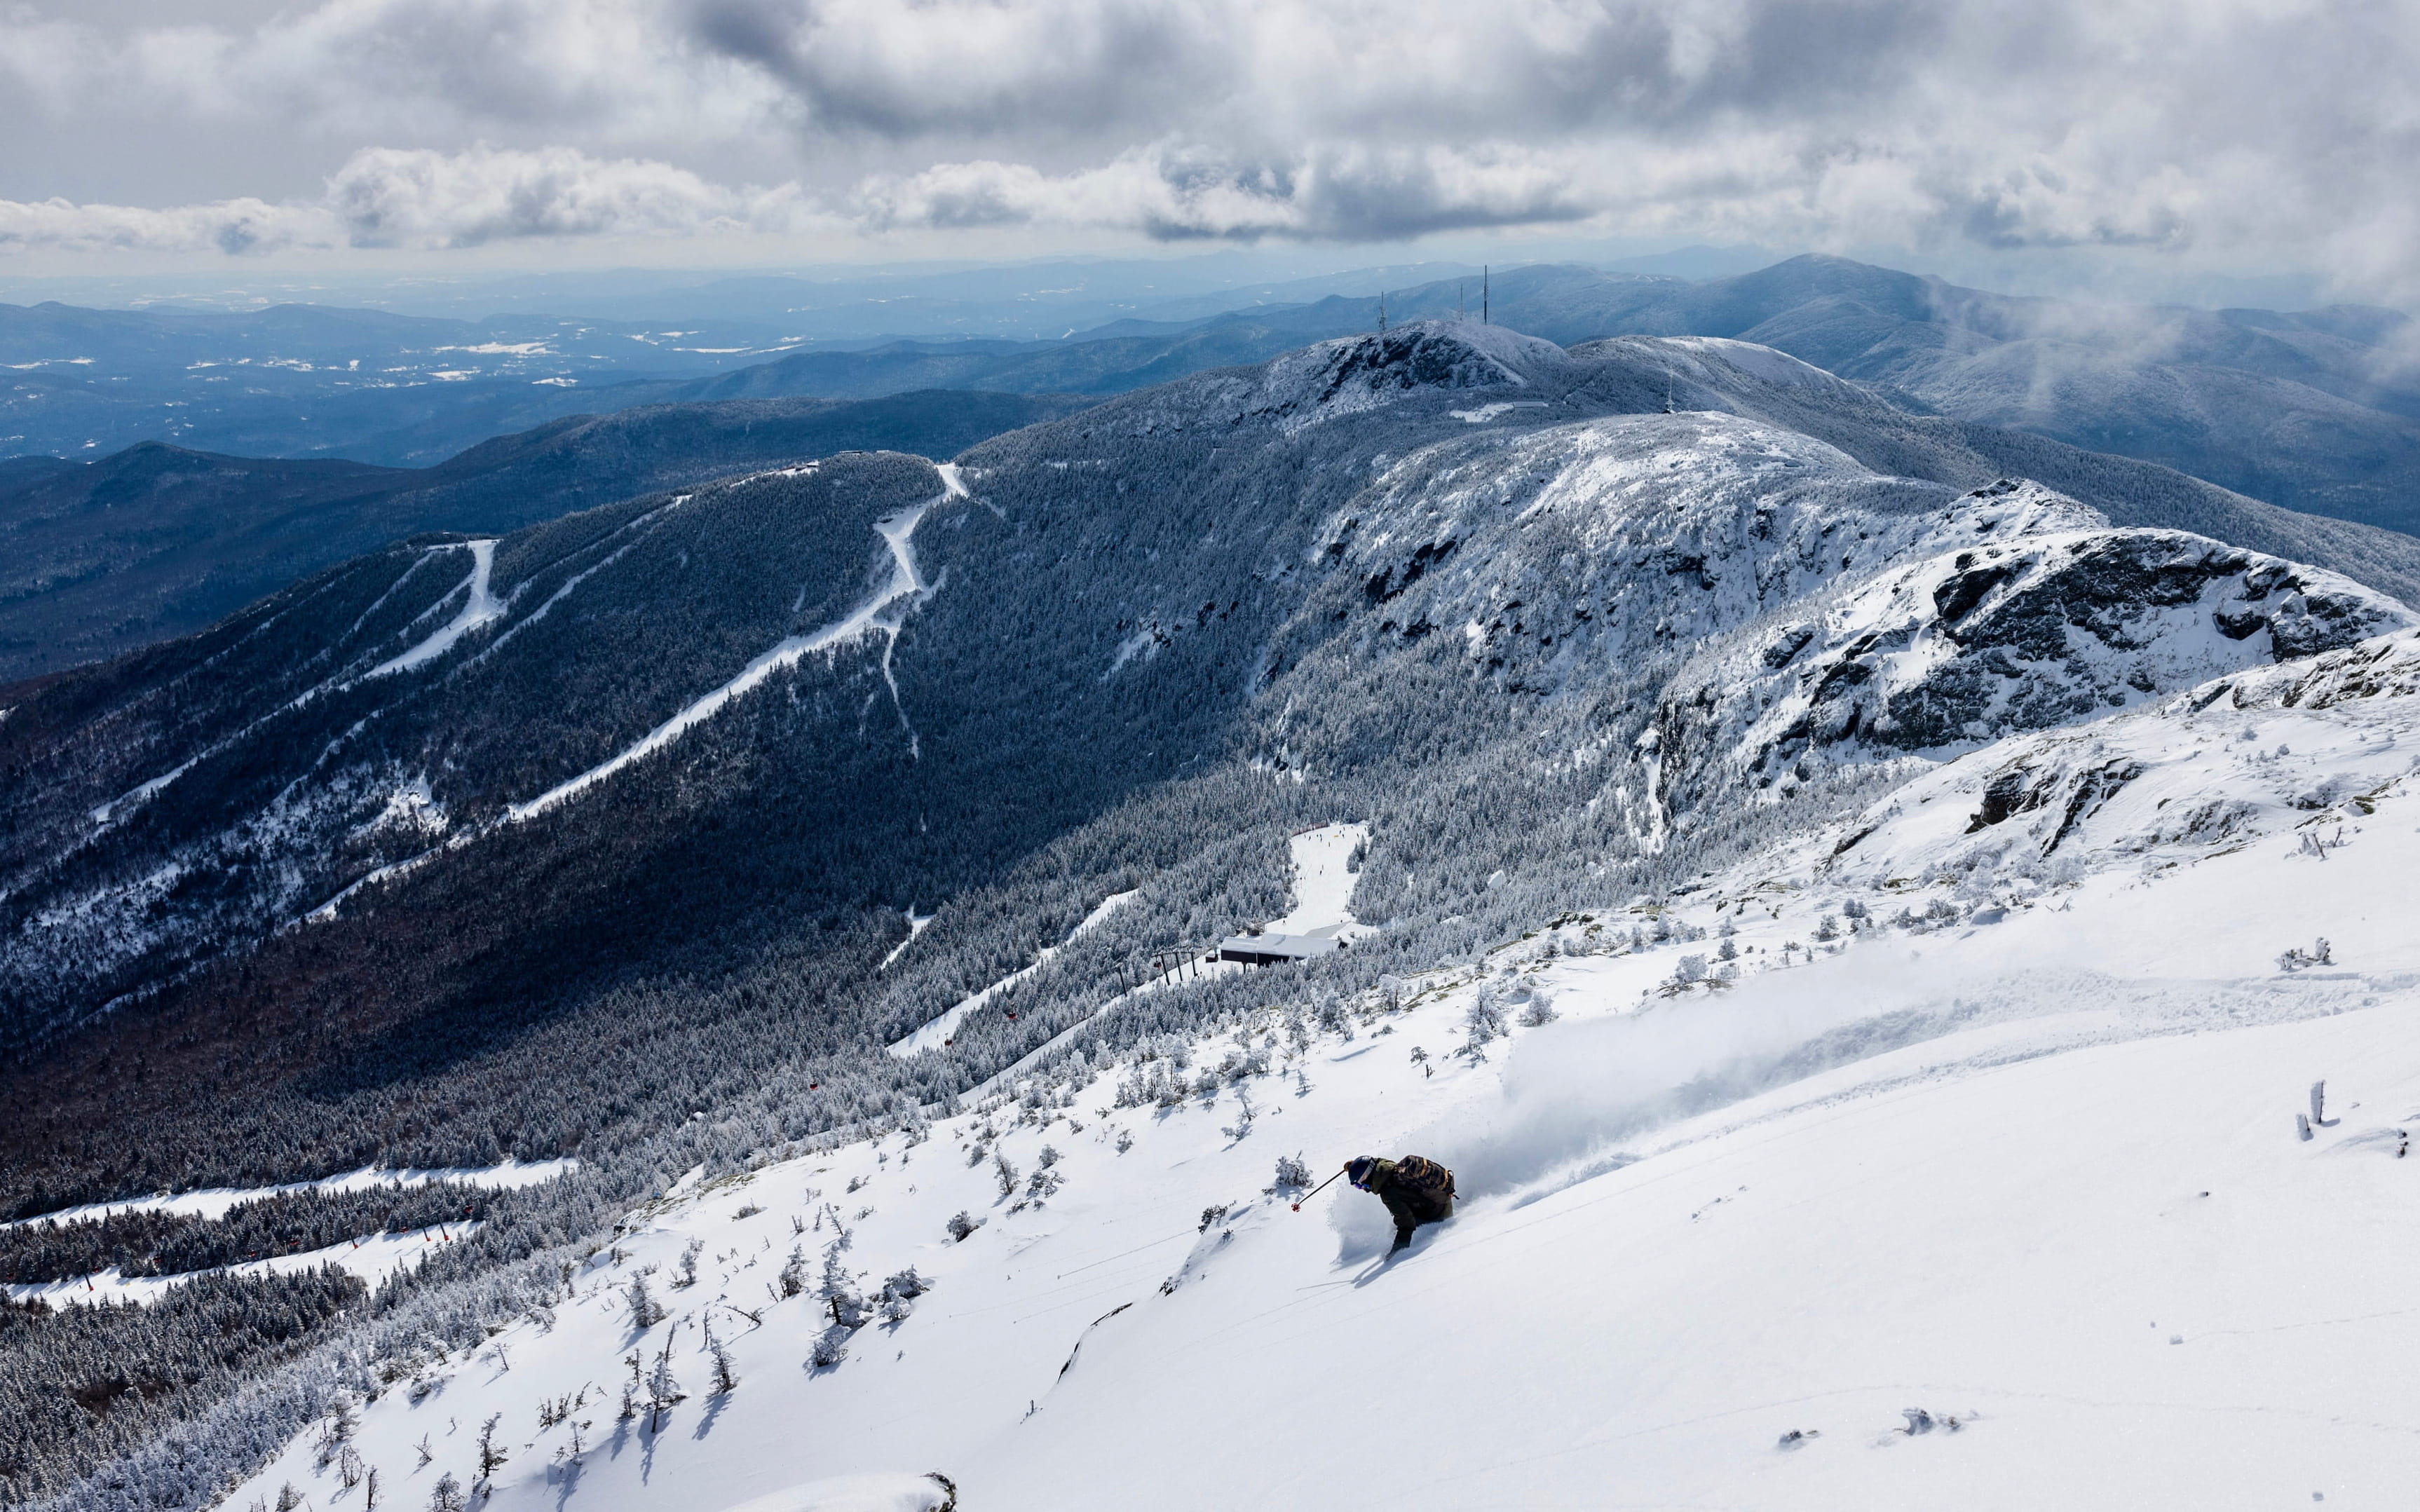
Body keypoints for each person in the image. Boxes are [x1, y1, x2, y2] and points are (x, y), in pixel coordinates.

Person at [1346, 1155, 1455, 1254]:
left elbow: (1406, 1223)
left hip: (1439, 1209)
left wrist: (1397, 1252)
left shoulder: (1387, 1193)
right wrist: (1354, 1166)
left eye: (1359, 1185)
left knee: (1398, 1226)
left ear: (1366, 1177)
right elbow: (1372, 1162)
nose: (1362, 1188)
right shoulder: (1386, 1166)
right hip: (1443, 1191)